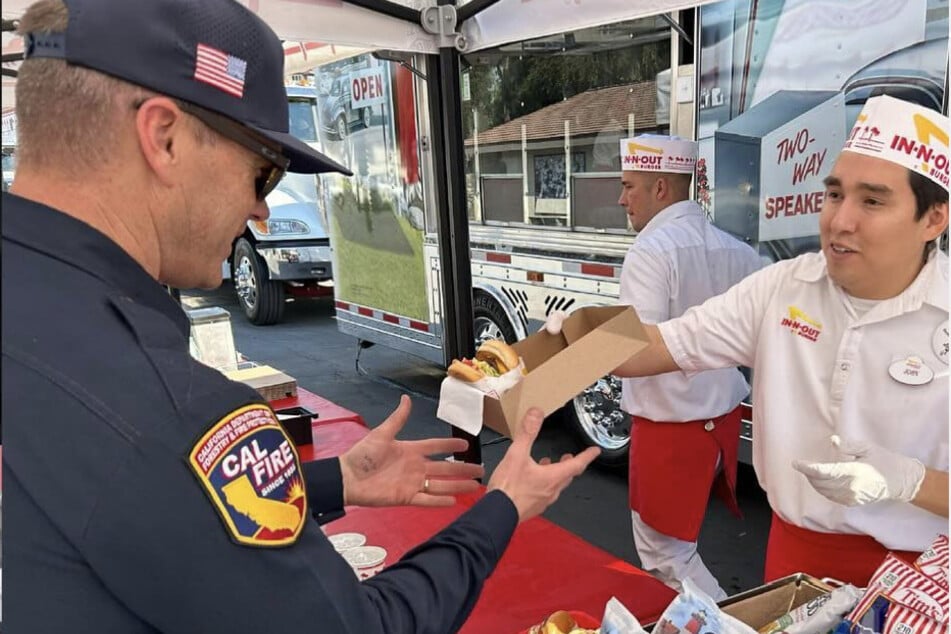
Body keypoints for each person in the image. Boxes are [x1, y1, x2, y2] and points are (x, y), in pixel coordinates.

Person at [1, 1, 600, 632]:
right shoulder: (163, 401)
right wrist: (500, 508)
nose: (261, 211)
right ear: (164, 138)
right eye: (263, 172)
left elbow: (135, 505)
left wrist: (328, 481)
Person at [551, 95, 949, 586]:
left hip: (922, 578)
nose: (840, 221)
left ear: (933, 218)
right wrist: (574, 340)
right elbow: (661, 345)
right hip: (795, 558)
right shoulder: (782, 287)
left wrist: (910, 481)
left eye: (872, 200)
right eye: (833, 194)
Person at [584, 135, 762, 598]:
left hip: (671, 429)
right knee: (680, 546)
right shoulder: (737, 251)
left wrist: (578, 339)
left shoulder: (650, 250)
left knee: (665, 557)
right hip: (717, 426)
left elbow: (630, 353)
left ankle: (727, 627)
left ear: (660, 188)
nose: (622, 199)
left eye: (629, 187)